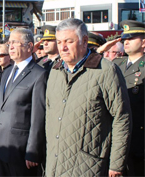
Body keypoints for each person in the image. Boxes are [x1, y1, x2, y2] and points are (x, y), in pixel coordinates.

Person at [45, 18, 132, 176]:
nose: (62, 47)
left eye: (68, 41)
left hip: (88, 166)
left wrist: (116, 165)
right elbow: (50, 115)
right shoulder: (55, 71)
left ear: (84, 41)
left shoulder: (105, 70)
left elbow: (122, 118)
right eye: (59, 42)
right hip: (56, 164)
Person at [0, 28, 47, 176]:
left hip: (20, 149)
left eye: (16, 43)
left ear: (29, 46)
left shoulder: (38, 75)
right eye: (10, 43)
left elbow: (38, 117)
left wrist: (33, 151)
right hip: (1, 146)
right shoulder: (7, 71)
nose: (11, 47)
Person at [113, 20, 145, 176]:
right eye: (125, 39)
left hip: (139, 139)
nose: (126, 42)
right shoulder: (117, 64)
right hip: (118, 139)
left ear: (143, 42)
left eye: (131, 38)